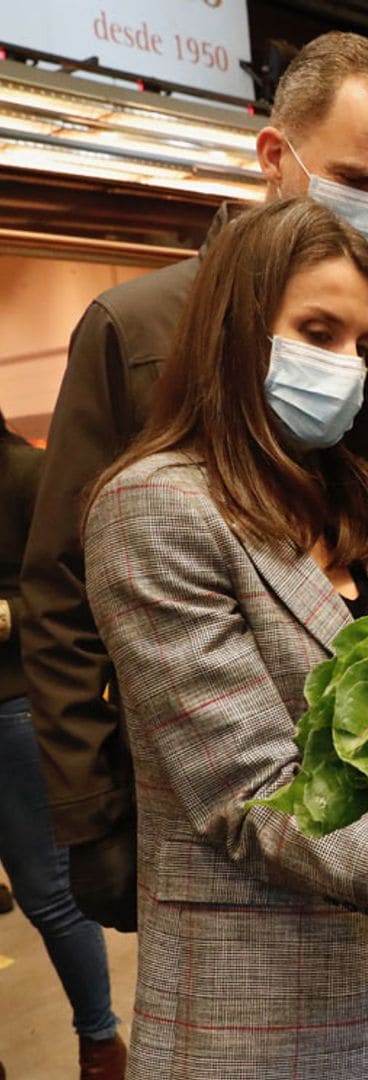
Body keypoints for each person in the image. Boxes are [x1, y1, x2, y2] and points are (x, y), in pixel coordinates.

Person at [20, 31, 368, 933]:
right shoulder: (136, 331)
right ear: (274, 156)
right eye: (357, 179)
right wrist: (91, 812)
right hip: (209, 816)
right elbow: (62, 591)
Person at [0, 408, 126, 1078]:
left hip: (15, 709)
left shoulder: (26, 471)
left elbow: (69, 591)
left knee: (49, 892)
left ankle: (100, 1043)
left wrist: (6, 614)